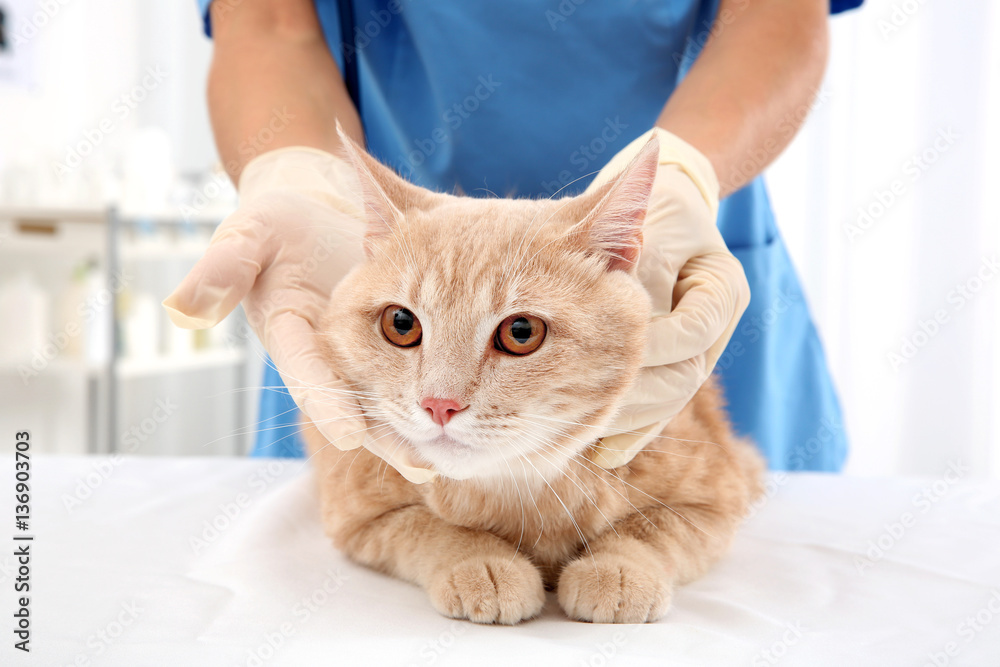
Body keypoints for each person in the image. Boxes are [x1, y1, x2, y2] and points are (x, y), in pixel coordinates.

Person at [166, 0, 860, 476]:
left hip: (659, 253)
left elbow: (774, 15)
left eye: (518, 333)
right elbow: (270, 24)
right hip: (371, 260)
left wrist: (681, 175)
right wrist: (298, 172)